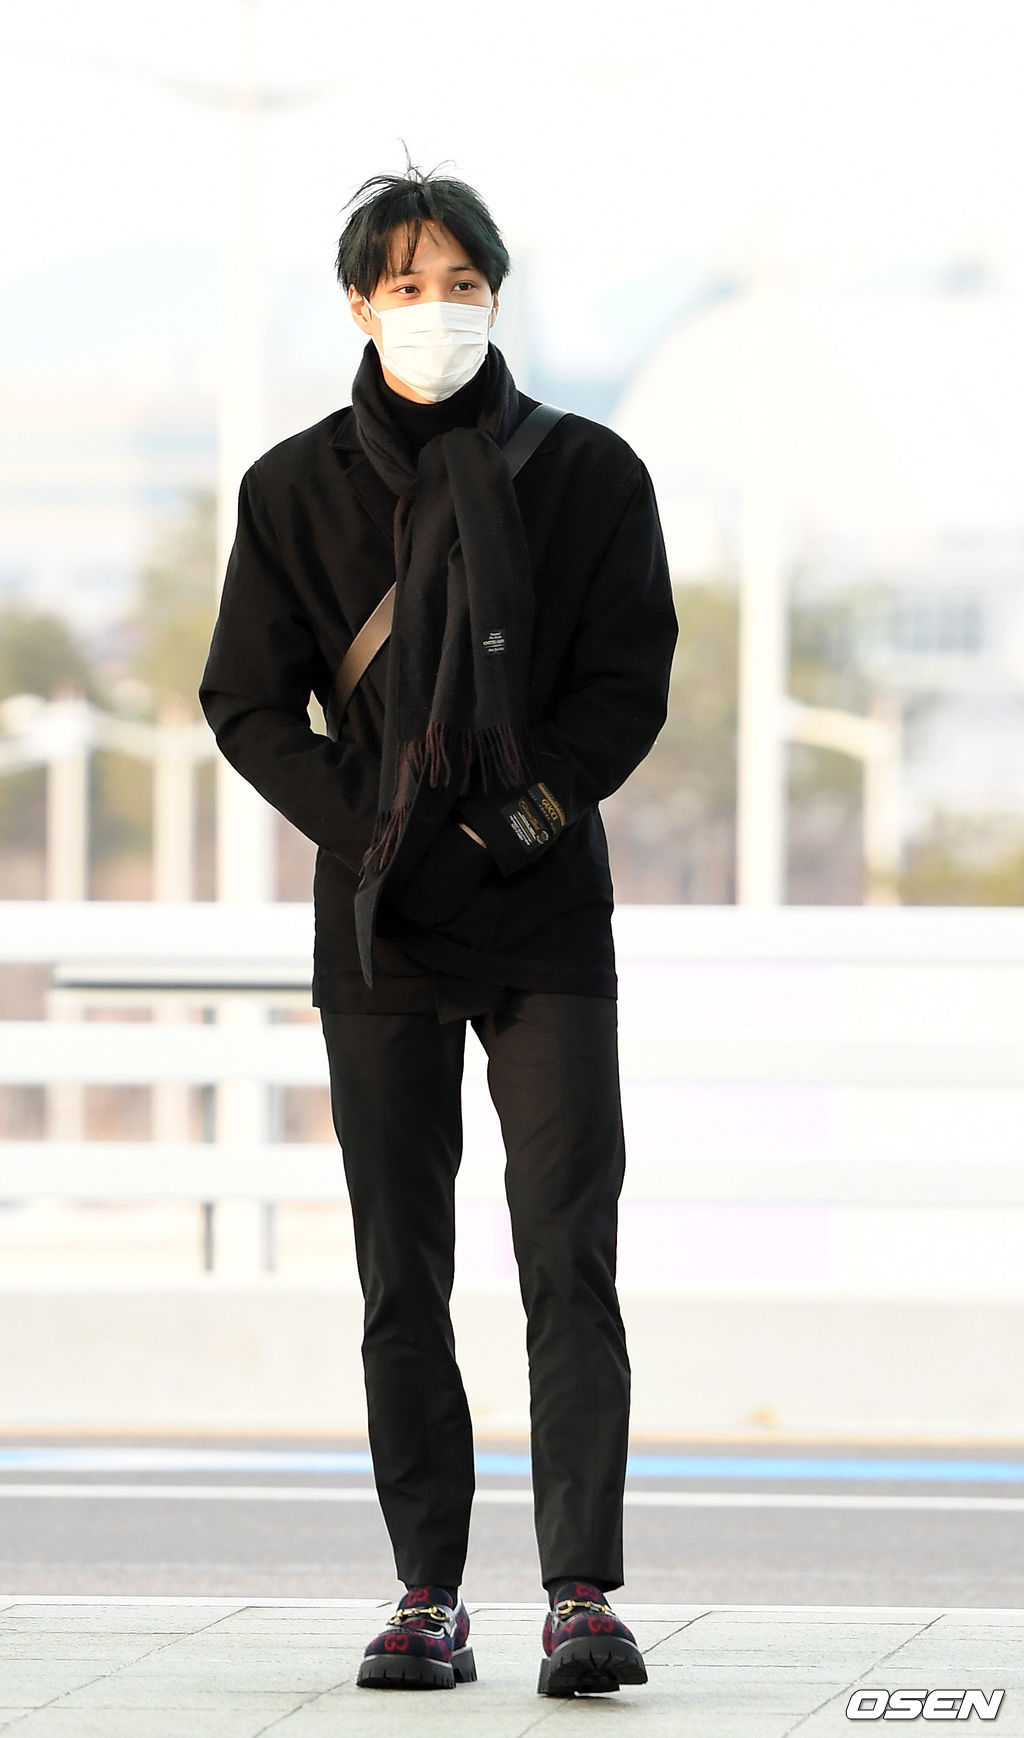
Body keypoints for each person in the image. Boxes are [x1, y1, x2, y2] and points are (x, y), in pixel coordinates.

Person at [199, 159, 678, 1698]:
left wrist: (508, 827)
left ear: (497, 296)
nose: (437, 310)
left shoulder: (587, 473)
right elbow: (246, 701)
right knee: (401, 1269)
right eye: (407, 285)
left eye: (461, 284)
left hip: (544, 913)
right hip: (382, 920)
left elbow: (626, 686)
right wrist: (378, 835)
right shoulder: (293, 489)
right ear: (359, 303)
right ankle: (427, 1594)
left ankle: (581, 1594)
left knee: (567, 1256)